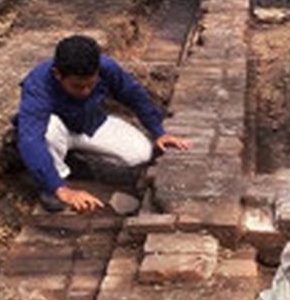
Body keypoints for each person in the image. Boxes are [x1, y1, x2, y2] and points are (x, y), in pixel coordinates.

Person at [15, 34, 190, 212]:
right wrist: (61, 190)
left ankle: (73, 159)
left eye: (91, 85)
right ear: (57, 75)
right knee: (48, 131)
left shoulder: (106, 67)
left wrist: (159, 131)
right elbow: (31, 139)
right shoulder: (38, 85)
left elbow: (134, 95)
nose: (85, 91)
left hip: (91, 123)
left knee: (141, 153)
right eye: (77, 86)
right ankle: (52, 183)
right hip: (57, 130)